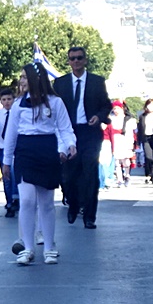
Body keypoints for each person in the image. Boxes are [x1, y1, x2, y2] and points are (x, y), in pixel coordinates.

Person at [4, 63, 77, 266]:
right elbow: (11, 134)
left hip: (46, 149)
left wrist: (70, 145)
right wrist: (6, 161)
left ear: (36, 79)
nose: (22, 81)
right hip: (25, 150)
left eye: (25, 77)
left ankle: (49, 246)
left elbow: (65, 128)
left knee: (46, 202)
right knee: (26, 201)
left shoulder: (55, 102)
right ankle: (28, 247)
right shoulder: (19, 104)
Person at [53, 46, 112, 229]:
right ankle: (73, 204)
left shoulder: (96, 82)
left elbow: (106, 105)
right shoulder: (60, 84)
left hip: (90, 133)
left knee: (90, 173)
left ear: (85, 60)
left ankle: (89, 216)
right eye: (72, 59)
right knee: (70, 174)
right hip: (69, 132)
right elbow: (54, 108)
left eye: (79, 58)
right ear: (69, 61)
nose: (76, 62)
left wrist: (99, 117)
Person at [0, 88, 19, 218]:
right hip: (3, 148)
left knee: (16, 174)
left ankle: (17, 199)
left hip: (17, 149)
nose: (7, 102)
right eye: (4, 100)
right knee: (7, 176)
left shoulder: (18, 112)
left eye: (9, 99)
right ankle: (9, 202)